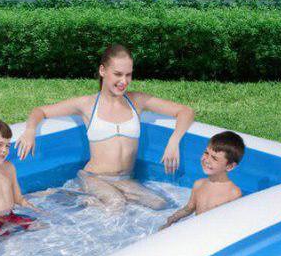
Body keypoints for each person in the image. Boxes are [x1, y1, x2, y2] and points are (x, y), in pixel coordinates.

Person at [15, 44, 195, 210]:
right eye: (118, 74)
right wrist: (30, 130)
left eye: (128, 74)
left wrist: (174, 141)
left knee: (160, 204)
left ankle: (79, 197)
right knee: (116, 204)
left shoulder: (137, 101)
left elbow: (185, 111)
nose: (124, 81)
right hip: (94, 177)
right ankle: (79, 196)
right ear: (102, 70)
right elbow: (40, 111)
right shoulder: (87, 104)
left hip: (125, 179)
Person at [161, 131, 244, 229]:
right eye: (206, 153)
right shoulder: (199, 184)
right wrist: (171, 220)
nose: (207, 160)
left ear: (230, 166)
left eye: (214, 158)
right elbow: (189, 209)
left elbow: (231, 224)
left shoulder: (233, 193)